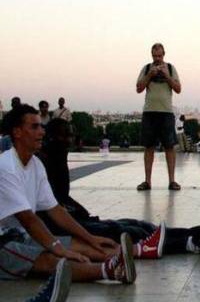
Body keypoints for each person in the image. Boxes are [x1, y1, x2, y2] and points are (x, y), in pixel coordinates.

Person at [38, 118, 200, 257]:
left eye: (71, 135)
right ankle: (189, 243)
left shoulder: (54, 158)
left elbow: (60, 198)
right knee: (128, 232)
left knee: (140, 225)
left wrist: (81, 213)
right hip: (62, 227)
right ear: (52, 137)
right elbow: (52, 208)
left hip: (72, 220)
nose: (70, 140)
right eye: (66, 135)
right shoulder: (44, 162)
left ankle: (198, 232)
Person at [0, 105, 136, 285]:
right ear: (17, 132)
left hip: (23, 235)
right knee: (52, 261)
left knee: (86, 247)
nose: (42, 132)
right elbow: (28, 219)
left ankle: (139, 251)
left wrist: (90, 238)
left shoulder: (35, 164)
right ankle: (112, 270)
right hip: (4, 242)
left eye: (41, 126)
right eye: (34, 127)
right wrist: (58, 249)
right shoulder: (6, 167)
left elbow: (55, 209)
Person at [135, 43, 181, 191]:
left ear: (164, 54)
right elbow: (139, 88)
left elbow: (178, 89)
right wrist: (150, 75)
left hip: (166, 112)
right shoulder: (146, 69)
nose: (157, 59)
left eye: (159, 56)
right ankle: (147, 181)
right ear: (151, 55)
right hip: (149, 112)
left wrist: (167, 75)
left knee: (169, 147)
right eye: (155, 56)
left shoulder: (171, 69)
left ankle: (172, 181)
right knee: (149, 147)